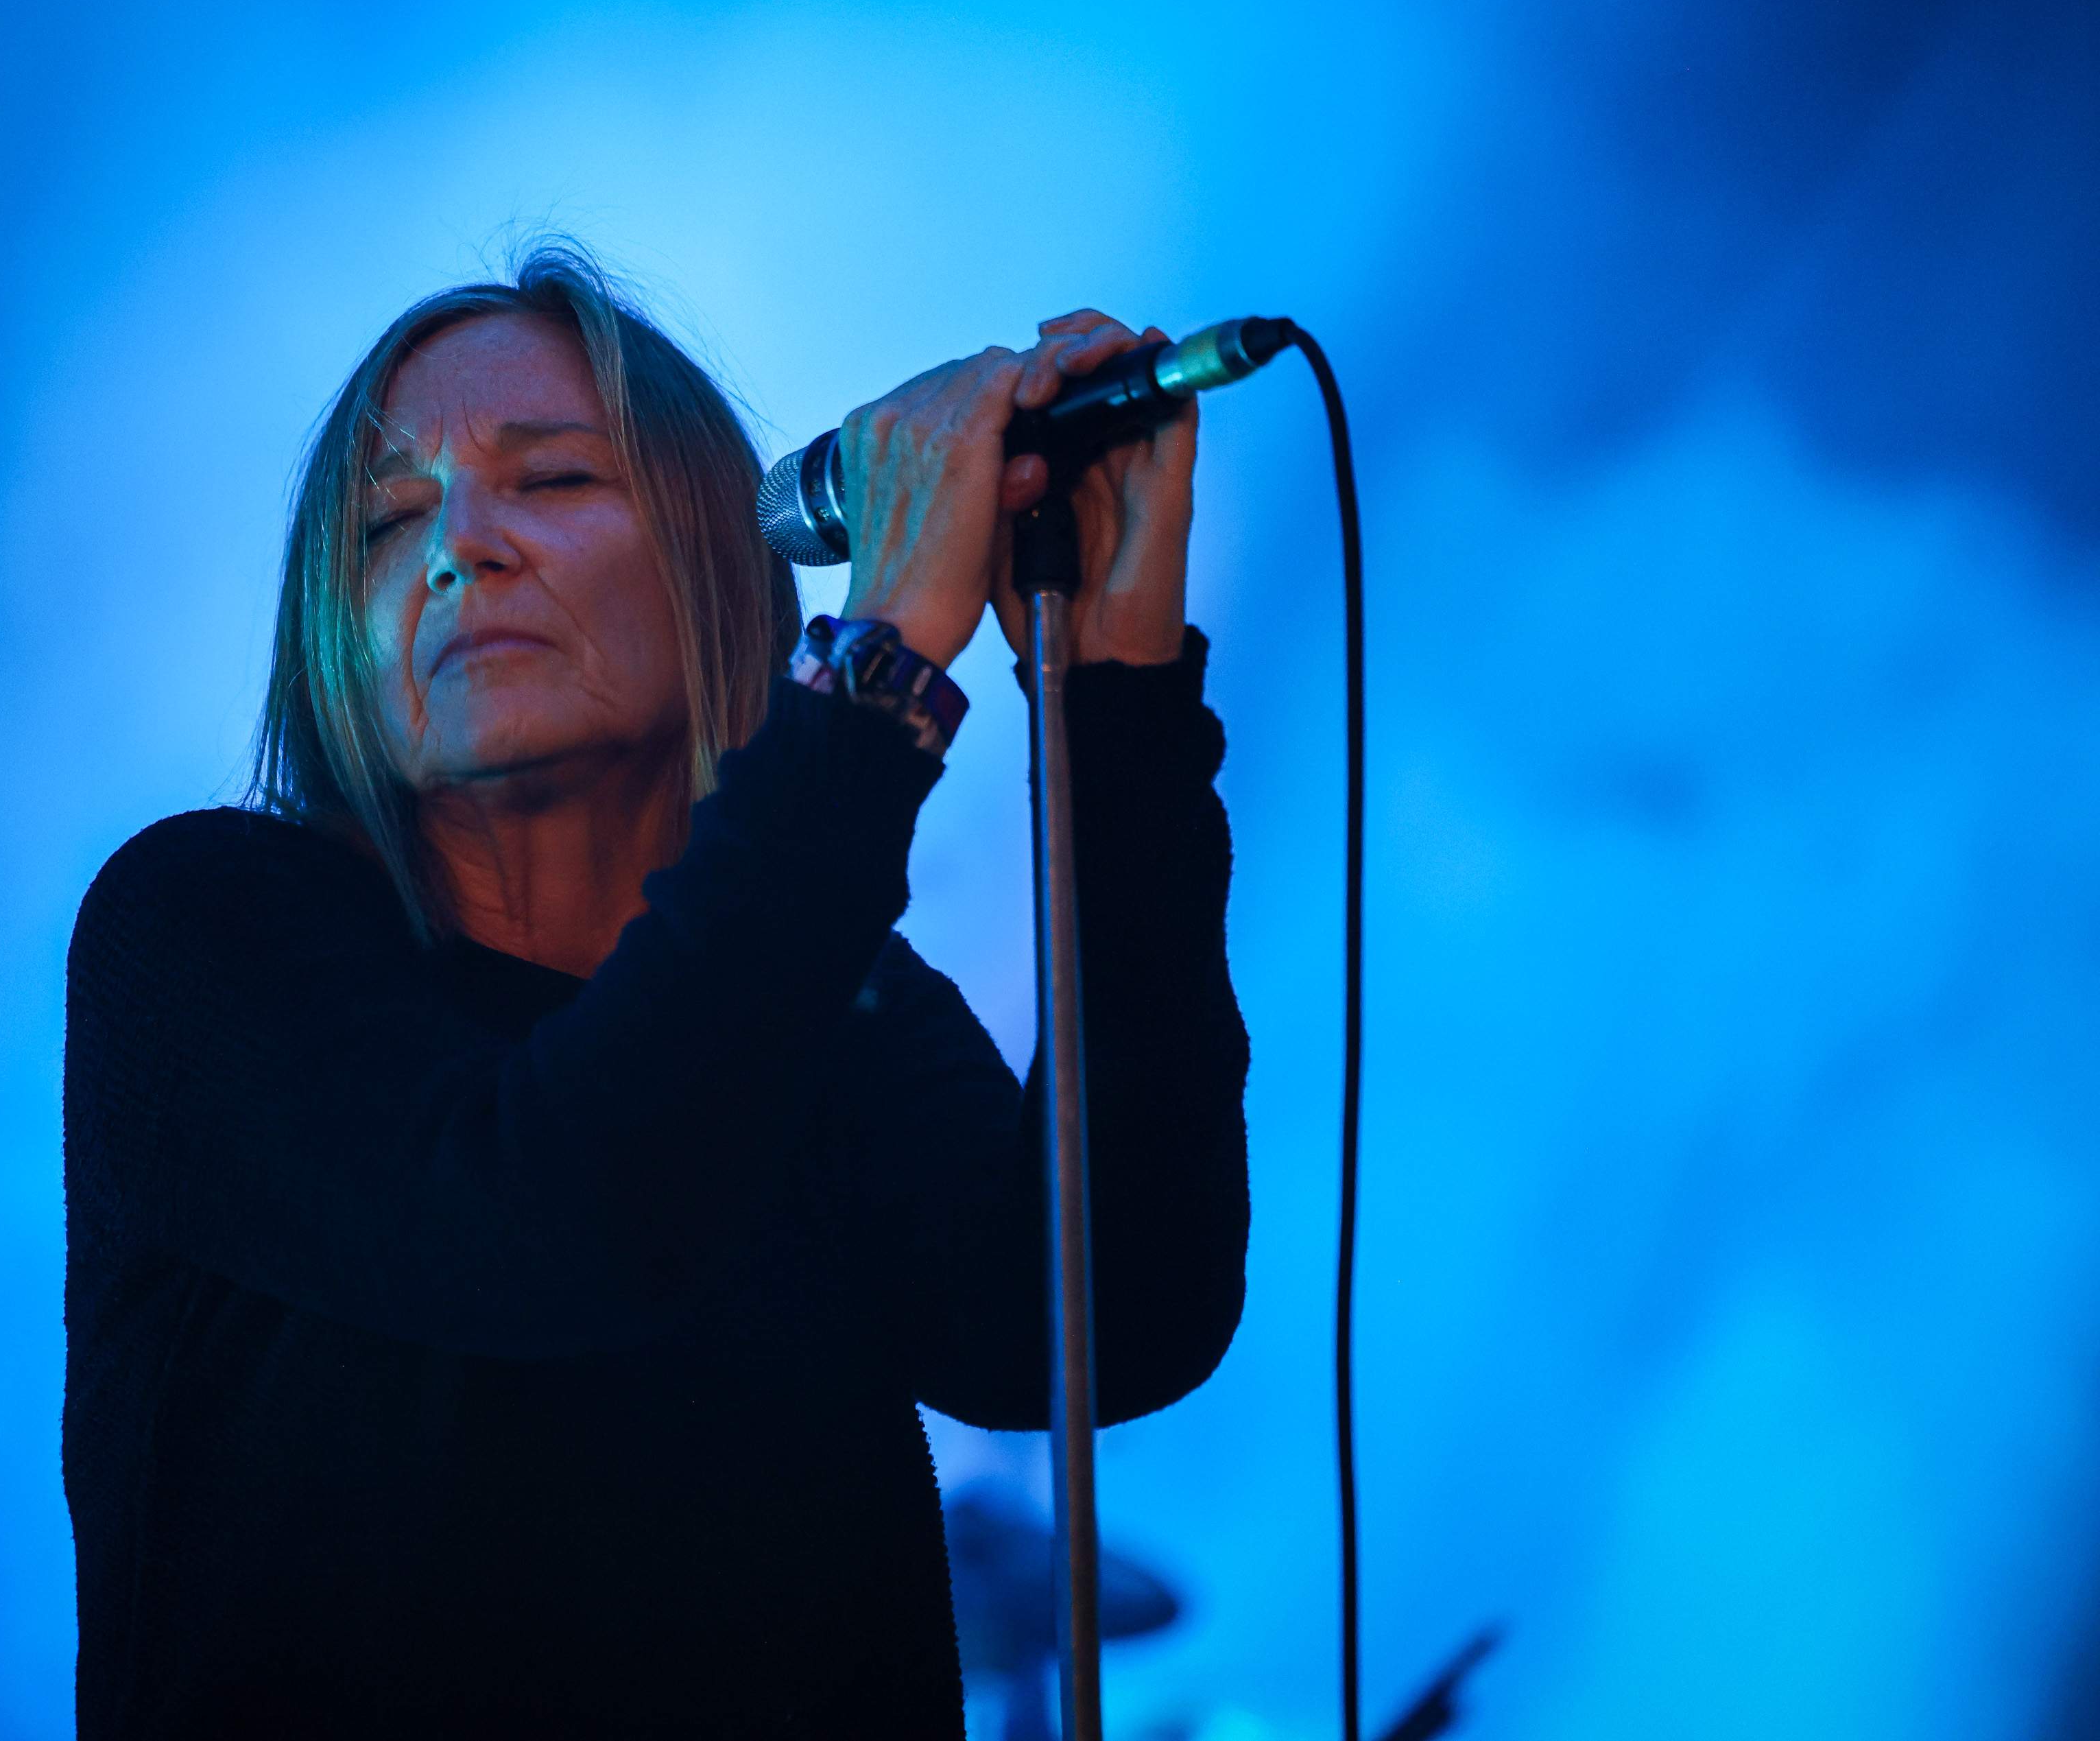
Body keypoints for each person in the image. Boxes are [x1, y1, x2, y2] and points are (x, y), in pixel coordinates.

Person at [62, 244, 1249, 1737]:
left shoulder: (835, 1005)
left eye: (552, 480)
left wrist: (1121, 701)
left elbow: (1111, 1314)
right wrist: (879, 660)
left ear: (719, 567)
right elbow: (549, 1219)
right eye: (389, 520)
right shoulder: (203, 928)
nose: (460, 546)